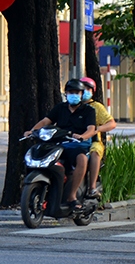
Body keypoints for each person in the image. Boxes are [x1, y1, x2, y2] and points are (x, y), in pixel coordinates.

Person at [24, 78, 97, 213]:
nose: (73, 95)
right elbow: (46, 121)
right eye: (71, 92)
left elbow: (91, 129)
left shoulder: (88, 110)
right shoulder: (60, 108)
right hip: (59, 144)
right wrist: (32, 131)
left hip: (76, 145)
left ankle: (72, 196)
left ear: (81, 94)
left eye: (77, 92)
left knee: (82, 159)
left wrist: (82, 136)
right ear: (66, 93)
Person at [80, 77, 117, 197]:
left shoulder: (96, 107)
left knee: (94, 152)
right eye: (82, 88)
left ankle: (92, 187)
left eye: (87, 89)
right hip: (72, 139)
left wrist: (98, 129)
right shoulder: (70, 107)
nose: (84, 91)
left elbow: (111, 123)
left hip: (92, 141)